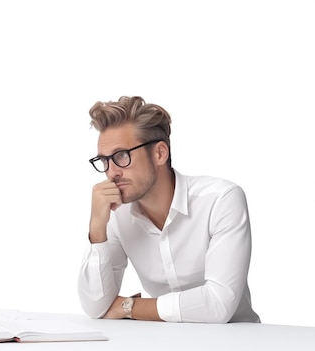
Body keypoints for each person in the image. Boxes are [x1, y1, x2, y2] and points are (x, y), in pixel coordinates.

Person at [77, 96, 260, 323]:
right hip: (166, 342)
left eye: (121, 156)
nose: (111, 172)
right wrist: (97, 229)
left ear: (160, 153)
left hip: (240, 343)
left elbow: (218, 304)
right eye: (104, 160)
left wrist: (129, 306)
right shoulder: (117, 215)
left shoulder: (220, 200)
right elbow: (96, 307)